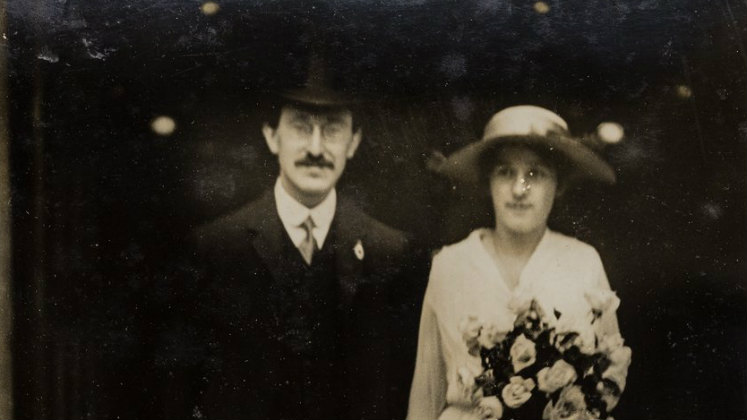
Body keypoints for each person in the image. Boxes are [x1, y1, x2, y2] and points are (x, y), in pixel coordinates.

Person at [154, 58, 424, 420]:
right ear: (271, 136)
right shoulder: (216, 247)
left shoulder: (389, 250)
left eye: (331, 130)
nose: (316, 148)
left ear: (353, 142)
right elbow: (181, 387)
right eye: (300, 127)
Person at [407, 105, 628, 420]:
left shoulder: (583, 262)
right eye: (505, 172)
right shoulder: (450, 264)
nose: (518, 189)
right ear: (488, 183)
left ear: (559, 185)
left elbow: (606, 385)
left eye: (535, 174)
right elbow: (426, 392)